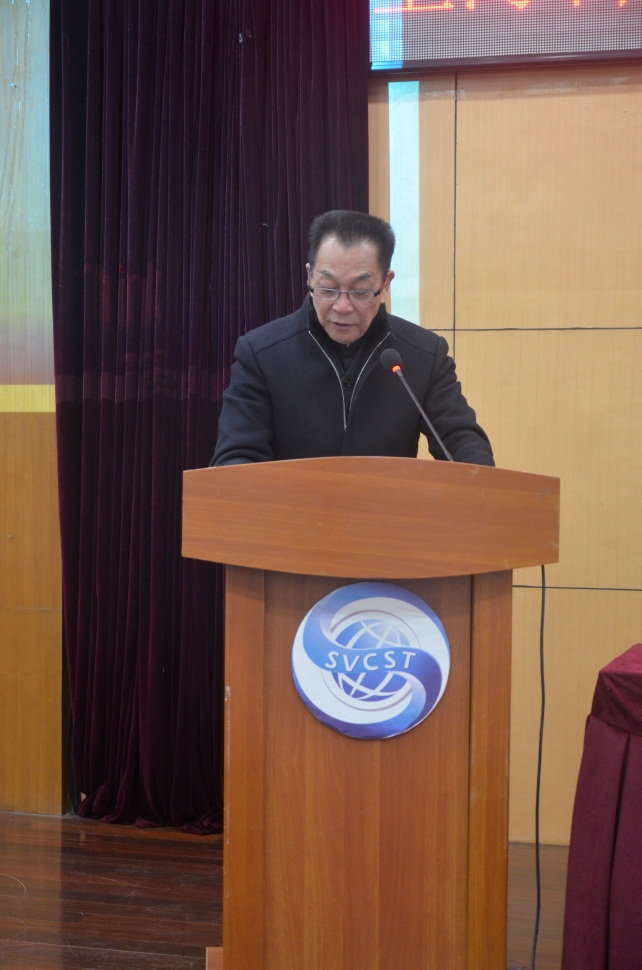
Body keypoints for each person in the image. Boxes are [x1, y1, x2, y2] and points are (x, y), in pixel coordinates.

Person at [211, 210, 494, 467]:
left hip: (385, 508)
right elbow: (235, 459)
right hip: (288, 507)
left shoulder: (423, 355)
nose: (342, 306)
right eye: (328, 288)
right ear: (310, 277)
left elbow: (463, 444)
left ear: (385, 285)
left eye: (360, 291)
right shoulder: (262, 354)